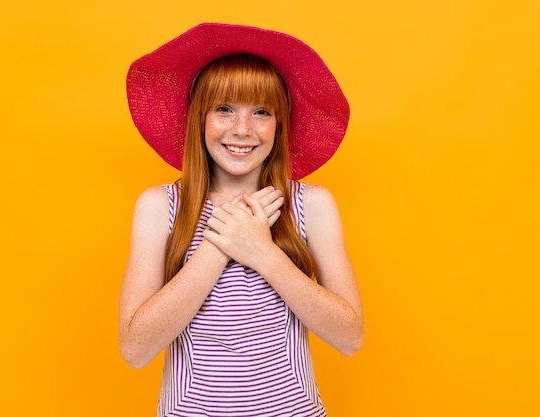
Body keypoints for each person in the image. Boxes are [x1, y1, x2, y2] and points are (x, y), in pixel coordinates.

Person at [119, 23, 364, 417]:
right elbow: (135, 348)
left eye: (262, 112)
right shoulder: (159, 206)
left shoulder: (311, 205)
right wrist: (219, 244)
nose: (242, 130)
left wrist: (264, 254)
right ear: (199, 117)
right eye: (224, 109)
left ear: (279, 123)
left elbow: (350, 337)